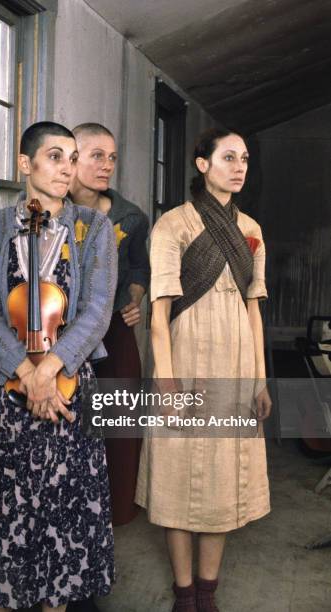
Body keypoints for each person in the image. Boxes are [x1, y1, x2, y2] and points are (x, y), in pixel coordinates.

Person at [0, 121, 117, 612]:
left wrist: (50, 369)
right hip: (8, 399)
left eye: (72, 158)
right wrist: (26, 373)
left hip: (71, 394)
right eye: (55, 156)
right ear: (25, 164)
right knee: (8, 523)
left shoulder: (93, 230)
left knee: (63, 529)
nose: (67, 168)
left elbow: (97, 311)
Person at [135, 128, 272, 612]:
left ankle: (208, 592)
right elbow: (158, 314)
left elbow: (255, 311)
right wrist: (167, 385)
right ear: (202, 165)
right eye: (228, 157)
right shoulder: (173, 226)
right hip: (186, 359)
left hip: (235, 366)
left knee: (222, 478)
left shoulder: (251, 229)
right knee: (178, 476)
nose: (239, 167)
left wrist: (259, 378)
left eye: (245, 159)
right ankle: (184, 592)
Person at [70, 122, 150, 527]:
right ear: (73, 156)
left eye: (112, 157)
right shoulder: (50, 212)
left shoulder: (131, 217)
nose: (107, 165)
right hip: (62, 335)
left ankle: (117, 511)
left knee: (119, 421)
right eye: (96, 155)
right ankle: (76, 514)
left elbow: (139, 267)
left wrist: (134, 300)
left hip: (115, 330)